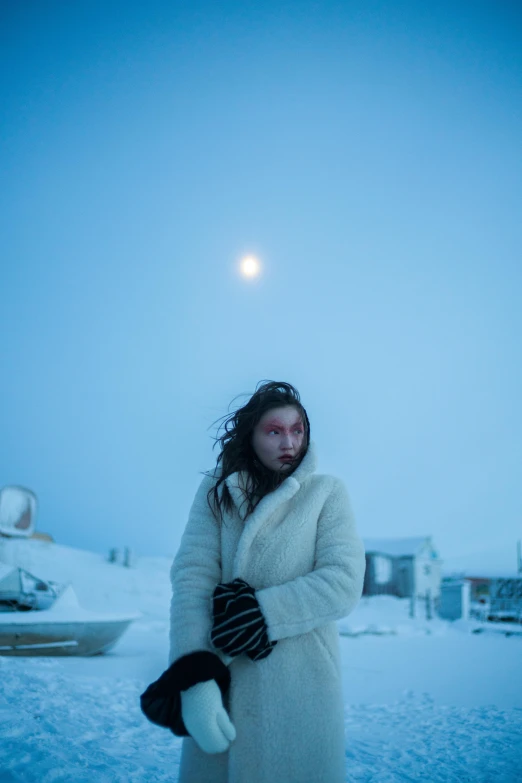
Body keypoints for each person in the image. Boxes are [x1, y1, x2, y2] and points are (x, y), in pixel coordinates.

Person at [140, 380, 366, 783]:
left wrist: (261, 613)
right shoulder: (216, 490)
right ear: (252, 435)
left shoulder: (326, 493)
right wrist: (195, 677)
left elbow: (343, 580)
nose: (289, 442)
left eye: (297, 430)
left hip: (302, 686)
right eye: (274, 431)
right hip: (224, 677)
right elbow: (192, 579)